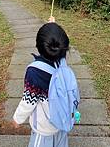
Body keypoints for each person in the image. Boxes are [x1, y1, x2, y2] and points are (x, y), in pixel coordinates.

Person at [12, 16, 70, 147]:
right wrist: (53, 27)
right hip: (61, 120)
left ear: (38, 45)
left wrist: (17, 119)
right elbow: (57, 45)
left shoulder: (35, 72)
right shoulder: (61, 62)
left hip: (44, 129)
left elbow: (28, 101)